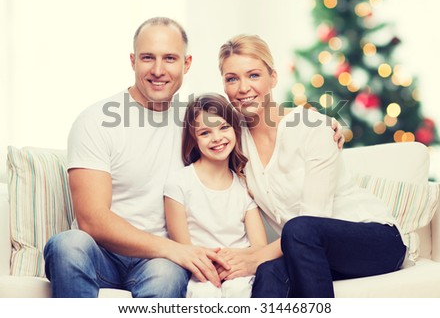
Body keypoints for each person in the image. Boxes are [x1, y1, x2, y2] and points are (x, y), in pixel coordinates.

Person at [43, 17, 230, 297]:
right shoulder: (95, 120)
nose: (158, 70)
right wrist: (175, 249)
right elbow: (92, 219)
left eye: (169, 58)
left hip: (159, 264)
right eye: (147, 58)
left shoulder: (197, 122)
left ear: (186, 63)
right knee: (67, 244)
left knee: (166, 276)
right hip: (102, 255)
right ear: (132, 61)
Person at [215, 34, 407, 298]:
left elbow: (314, 218)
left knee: (299, 227)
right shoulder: (235, 144)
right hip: (306, 251)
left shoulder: (311, 127)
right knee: (269, 273)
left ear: (273, 78)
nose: (243, 88)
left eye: (254, 75)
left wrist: (255, 258)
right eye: (232, 78)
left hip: (375, 241)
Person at [164, 94, 267, 298]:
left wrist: (233, 263)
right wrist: (212, 265)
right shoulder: (178, 183)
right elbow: (183, 248)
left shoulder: (244, 185)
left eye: (224, 127)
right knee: (204, 293)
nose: (217, 138)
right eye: (205, 133)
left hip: (240, 271)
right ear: (193, 139)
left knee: (239, 290)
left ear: (235, 129)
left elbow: (259, 248)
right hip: (199, 272)